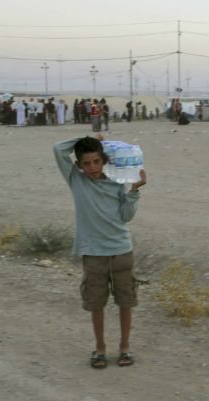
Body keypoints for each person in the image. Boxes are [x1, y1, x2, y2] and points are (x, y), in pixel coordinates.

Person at [52, 135, 148, 369]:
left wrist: (134, 191)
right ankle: (100, 349)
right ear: (78, 166)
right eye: (86, 163)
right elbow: (58, 148)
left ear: (104, 160)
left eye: (96, 161)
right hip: (93, 254)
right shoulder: (76, 181)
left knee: (126, 301)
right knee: (96, 303)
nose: (92, 167)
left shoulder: (117, 181)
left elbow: (126, 215)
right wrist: (90, 139)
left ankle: (125, 347)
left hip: (121, 251)